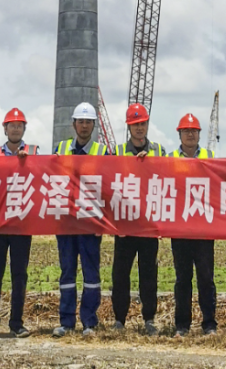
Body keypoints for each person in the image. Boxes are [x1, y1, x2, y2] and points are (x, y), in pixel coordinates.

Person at [0, 107, 39, 340]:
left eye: (19, 125)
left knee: (19, 275)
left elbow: (41, 179)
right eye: (11, 125)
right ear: (5, 129)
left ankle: (16, 324)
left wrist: (28, 163)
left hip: (22, 224)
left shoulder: (33, 152)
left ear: (24, 129)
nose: (15, 128)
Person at [53, 101, 108, 337]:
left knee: (90, 273)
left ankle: (89, 321)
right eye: (80, 121)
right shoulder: (61, 148)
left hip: (90, 222)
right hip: (66, 221)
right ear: (73, 124)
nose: (84, 126)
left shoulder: (103, 152)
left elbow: (109, 188)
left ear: (93, 125)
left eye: (88, 122)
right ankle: (66, 322)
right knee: (67, 272)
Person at [111, 103, 166, 335]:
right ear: (129, 127)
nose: (139, 128)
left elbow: (168, 182)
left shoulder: (159, 151)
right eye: (135, 124)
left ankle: (149, 319)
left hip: (148, 225)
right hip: (124, 226)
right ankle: (119, 319)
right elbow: (109, 185)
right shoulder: (117, 152)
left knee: (148, 274)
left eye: (142, 123)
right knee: (120, 274)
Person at [169, 113, 217, 337]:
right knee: (183, 279)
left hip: (204, 229)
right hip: (179, 230)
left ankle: (209, 323)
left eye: (194, 131)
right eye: (186, 131)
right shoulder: (168, 160)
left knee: (206, 278)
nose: (190, 134)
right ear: (179, 134)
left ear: (199, 134)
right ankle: (182, 325)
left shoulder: (211, 157)